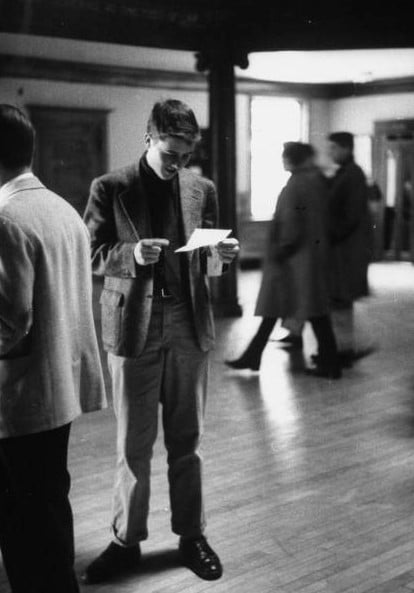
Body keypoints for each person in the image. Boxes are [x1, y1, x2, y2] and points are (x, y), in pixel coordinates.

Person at [82, 99, 239, 584]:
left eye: (185, 156)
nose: (177, 165)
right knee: (134, 443)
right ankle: (126, 542)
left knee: (187, 441)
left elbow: (205, 262)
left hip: (188, 324)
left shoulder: (201, 188)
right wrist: (133, 254)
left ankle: (192, 535)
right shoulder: (110, 187)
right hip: (134, 327)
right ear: (149, 138)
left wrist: (223, 255)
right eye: (171, 154)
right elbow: (90, 255)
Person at [0, 104, 107, 593]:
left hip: (20, 396)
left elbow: (9, 322)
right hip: (58, 386)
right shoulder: (62, 208)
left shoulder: (7, 218)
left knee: (22, 525)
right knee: (48, 504)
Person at [226, 142, 341, 379]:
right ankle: (253, 355)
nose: (282, 160)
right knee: (305, 309)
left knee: (289, 307)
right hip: (311, 257)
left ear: (291, 160)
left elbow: (290, 223)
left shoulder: (296, 185)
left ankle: (330, 365)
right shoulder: (316, 181)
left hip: (293, 261)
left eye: (284, 157)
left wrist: (281, 250)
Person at [326, 132, 371, 366]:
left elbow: (351, 215)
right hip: (342, 247)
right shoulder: (345, 173)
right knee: (339, 301)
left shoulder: (352, 174)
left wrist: (331, 235)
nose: (330, 152)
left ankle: (344, 350)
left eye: (333, 148)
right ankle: (342, 348)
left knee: (341, 300)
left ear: (346, 148)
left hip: (346, 249)